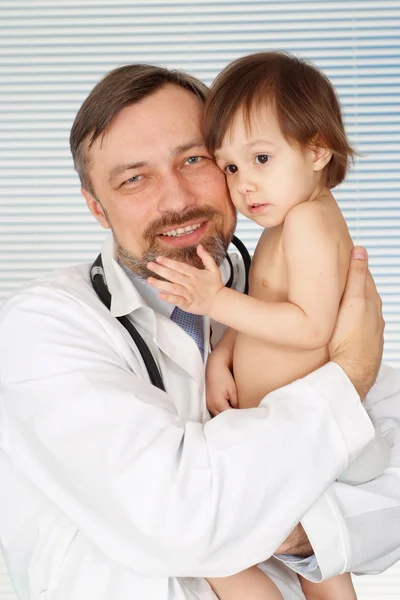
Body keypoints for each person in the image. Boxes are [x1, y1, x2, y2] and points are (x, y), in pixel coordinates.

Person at [0, 63, 398, 600]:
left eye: (196, 159)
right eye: (134, 178)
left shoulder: (269, 280)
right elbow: (180, 518)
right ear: (97, 207)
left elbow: (392, 473)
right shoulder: (42, 326)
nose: (177, 198)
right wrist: (348, 376)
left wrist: (304, 531)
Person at [145, 51, 392, 599]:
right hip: (287, 429)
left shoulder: (307, 221)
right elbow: (268, 305)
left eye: (261, 158)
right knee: (322, 570)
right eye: (230, 167)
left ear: (317, 149)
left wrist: (215, 302)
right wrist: (224, 355)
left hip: (303, 432)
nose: (244, 185)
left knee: (210, 544)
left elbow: (309, 327)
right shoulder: (285, 219)